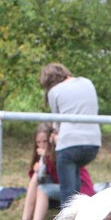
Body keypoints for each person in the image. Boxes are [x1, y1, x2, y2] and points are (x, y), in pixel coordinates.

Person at [12, 122, 95, 220]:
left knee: (42, 189)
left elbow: (63, 179)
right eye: (38, 143)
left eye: (44, 142)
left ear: (51, 139)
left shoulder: (61, 153)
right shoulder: (44, 156)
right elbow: (39, 179)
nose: (41, 145)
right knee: (36, 180)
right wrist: (37, 170)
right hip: (59, 190)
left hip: (78, 190)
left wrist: (47, 160)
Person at [39, 62, 100, 204]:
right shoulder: (87, 82)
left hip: (69, 146)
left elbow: (57, 122)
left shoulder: (54, 91)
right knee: (76, 193)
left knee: (67, 195)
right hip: (93, 145)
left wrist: (54, 137)